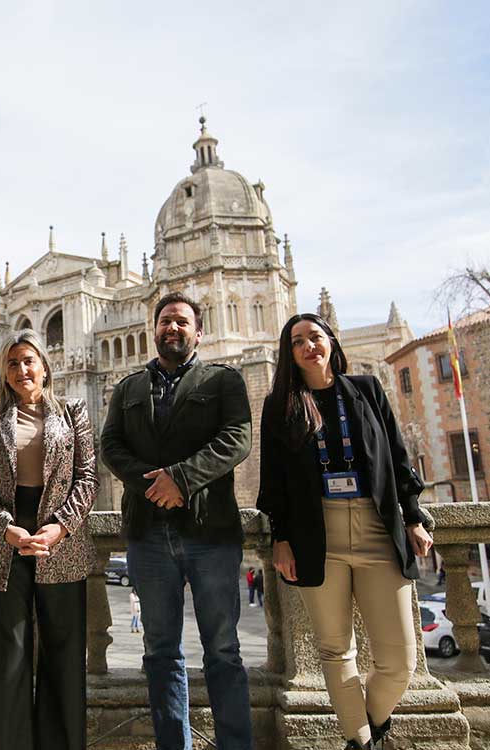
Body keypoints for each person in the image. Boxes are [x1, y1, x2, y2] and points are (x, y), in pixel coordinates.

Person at [257, 313, 434, 750]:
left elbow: (397, 455)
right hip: (317, 532)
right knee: (336, 650)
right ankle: (360, 740)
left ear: (331, 342)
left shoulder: (366, 391)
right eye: (297, 341)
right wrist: (280, 538)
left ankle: (365, 730)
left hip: (376, 528)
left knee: (399, 660)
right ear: (289, 353)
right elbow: (274, 479)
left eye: (315, 337)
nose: (308, 346)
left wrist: (412, 515)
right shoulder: (280, 406)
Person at [101, 292, 254, 750]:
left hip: (211, 532)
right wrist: (154, 484)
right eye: (165, 321)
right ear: (155, 329)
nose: (173, 328)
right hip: (149, 536)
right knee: (160, 651)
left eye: (182, 321)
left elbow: (238, 439)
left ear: (198, 331)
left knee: (223, 650)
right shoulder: (128, 388)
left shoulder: (224, 379)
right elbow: (111, 446)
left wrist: (181, 480)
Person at [0, 329, 98, 750]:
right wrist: (6, 527)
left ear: (44, 366)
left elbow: (88, 477)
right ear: (4, 374)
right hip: (4, 542)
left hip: (60, 538)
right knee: (7, 654)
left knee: (63, 651)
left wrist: (60, 526)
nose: (22, 370)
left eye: (28, 361)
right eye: (12, 363)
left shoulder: (73, 412)